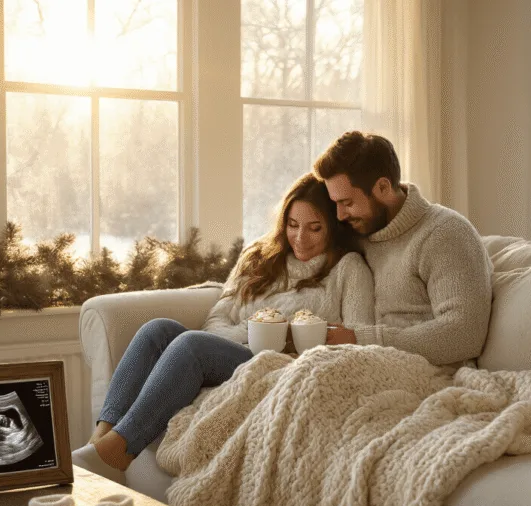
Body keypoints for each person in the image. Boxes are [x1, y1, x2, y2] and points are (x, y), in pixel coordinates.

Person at [72, 173, 375, 483]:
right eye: (293, 225)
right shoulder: (259, 256)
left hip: (279, 367)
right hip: (233, 352)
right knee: (157, 330)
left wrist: (289, 338)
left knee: (191, 345)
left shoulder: (348, 269)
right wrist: (245, 335)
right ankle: (100, 441)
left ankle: (118, 450)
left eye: (315, 228)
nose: (300, 238)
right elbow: (218, 316)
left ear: (333, 228)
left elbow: (356, 341)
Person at [313, 131, 492, 367]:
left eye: (347, 203)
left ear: (383, 187)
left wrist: (361, 339)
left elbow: (464, 334)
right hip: (367, 363)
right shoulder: (361, 230)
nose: (340, 214)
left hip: (429, 372)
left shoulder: (445, 234)